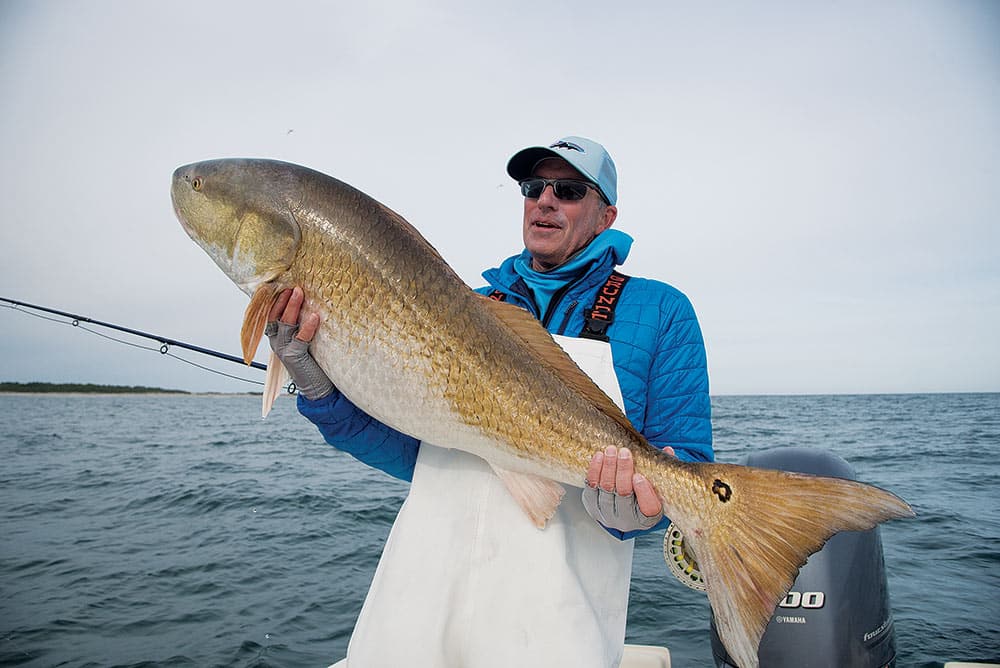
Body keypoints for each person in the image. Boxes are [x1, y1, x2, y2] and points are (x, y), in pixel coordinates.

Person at [267, 136, 712, 668]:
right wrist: (321, 389)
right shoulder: (465, 307)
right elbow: (415, 450)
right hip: (414, 616)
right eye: (533, 187)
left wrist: (635, 513)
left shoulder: (661, 311)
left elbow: (685, 460)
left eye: (568, 190)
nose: (545, 201)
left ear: (605, 215)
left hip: (553, 637)